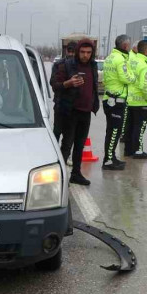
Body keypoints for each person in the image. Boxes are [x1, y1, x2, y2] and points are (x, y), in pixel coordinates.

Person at [51, 39, 100, 186]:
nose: (85, 55)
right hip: (70, 110)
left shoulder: (93, 65)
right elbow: (55, 85)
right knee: (67, 144)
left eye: (88, 52)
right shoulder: (65, 65)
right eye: (83, 52)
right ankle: (59, 175)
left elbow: (94, 87)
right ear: (78, 51)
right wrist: (68, 83)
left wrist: (93, 103)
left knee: (80, 145)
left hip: (86, 111)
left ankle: (76, 174)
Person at [102, 35, 136, 171]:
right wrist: (133, 76)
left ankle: (111, 157)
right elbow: (127, 78)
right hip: (116, 101)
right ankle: (109, 160)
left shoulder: (110, 57)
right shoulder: (120, 59)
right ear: (126, 46)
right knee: (114, 131)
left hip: (110, 99)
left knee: (112, 131)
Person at [125, 40, 147, 160]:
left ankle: (128, 150)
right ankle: (138, 151)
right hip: (141, 102)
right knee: (140, 128)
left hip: (131, 100)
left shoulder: (132, 61)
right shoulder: (144, 65)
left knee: (130, 127)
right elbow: (144, 85)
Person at [50, 41, 79, 141]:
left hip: (75, 107)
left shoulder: (80, 65)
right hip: (60, 104)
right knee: (57, 132)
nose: (71, 54)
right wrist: (67, 84)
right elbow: (53, 84)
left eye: (73, 51)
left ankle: (64, 156)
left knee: (70, 137)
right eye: (69, 51)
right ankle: (55, 155)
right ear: (66, 51)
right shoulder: (58, 65)